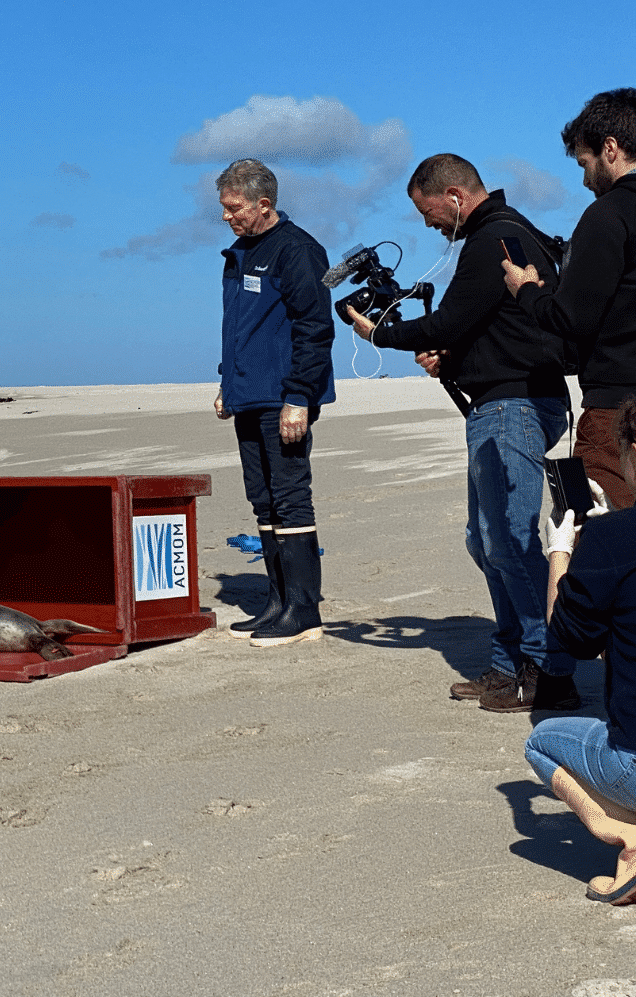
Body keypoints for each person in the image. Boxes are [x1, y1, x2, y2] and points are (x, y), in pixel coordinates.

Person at [343, 155, 575, 712]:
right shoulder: (509, 234)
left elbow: (450, 322)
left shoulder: (494, 237)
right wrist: (454, 359)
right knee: (485, 540)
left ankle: (548, 668)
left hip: (515, 404)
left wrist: (381, 333)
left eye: (427, 212)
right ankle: (508, 662)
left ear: (452, 195)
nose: (427, 225)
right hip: (506, 402)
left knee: (509, 541)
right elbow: (493, 327)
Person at [212, 159, 336, 647]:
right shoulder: (239, 252)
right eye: (222, 208)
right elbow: (241, 327)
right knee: (261, 499)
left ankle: (303, 608)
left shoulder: (298, 250)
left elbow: (313, 327)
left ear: (264, 204)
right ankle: (278, 601)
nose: (226, 217)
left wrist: (299, 398)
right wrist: (229, 383)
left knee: (289, 497)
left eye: (233, 208)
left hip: (286, 397)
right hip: (248, 395)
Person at [523, 397, 636, 905]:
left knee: (542, 742)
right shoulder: (615, 536)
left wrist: (562, 551)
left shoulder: (613, 540)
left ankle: (626, 839)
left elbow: (570, 639)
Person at [503, 88, 636, 510]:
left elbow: (572, 318)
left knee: (599, 538)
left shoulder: (608, 214)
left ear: (610, 149)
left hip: (618, 409)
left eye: (585, 163)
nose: (583, 180)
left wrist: (526, 290)